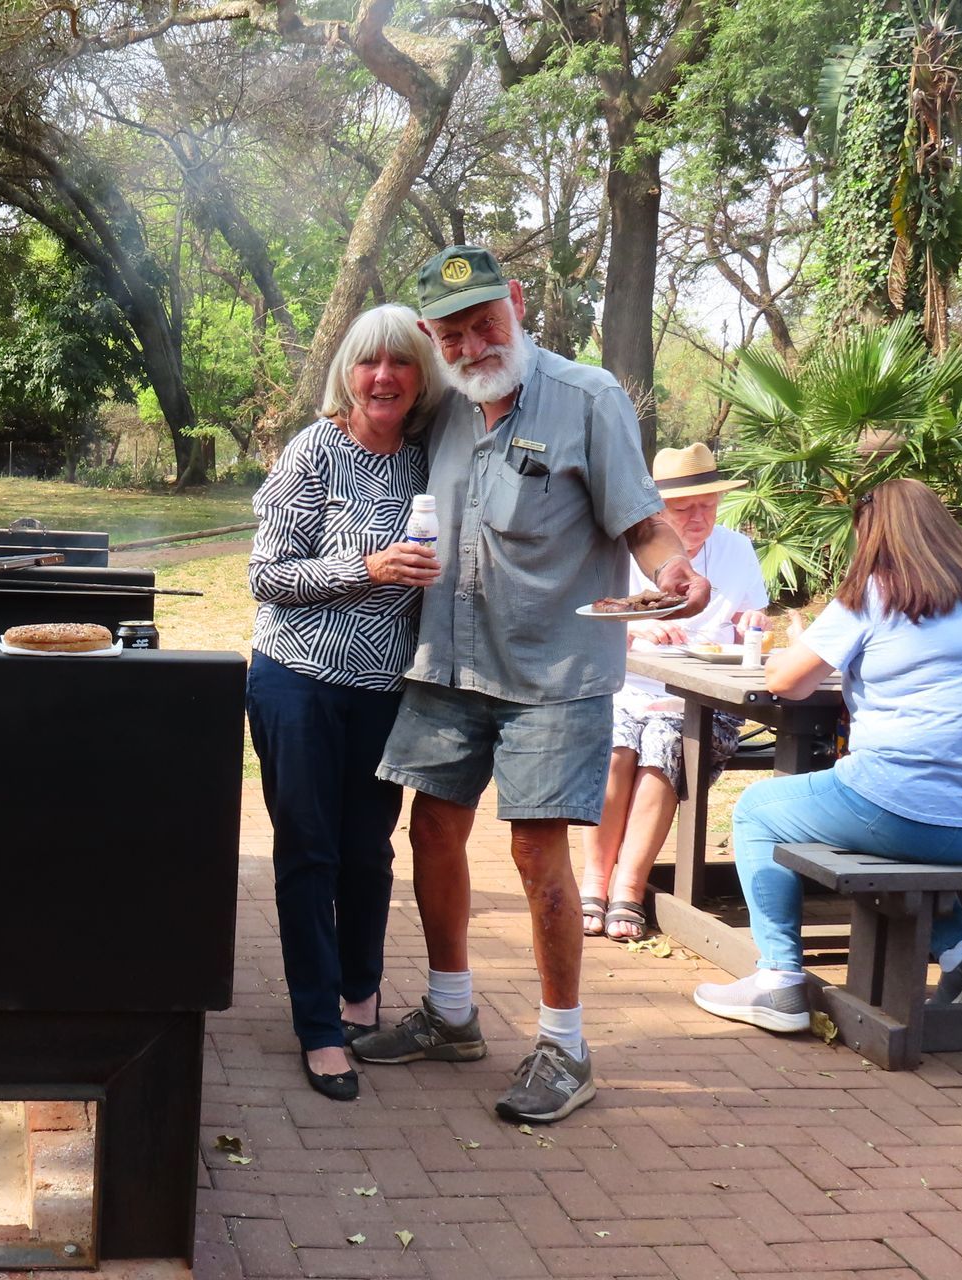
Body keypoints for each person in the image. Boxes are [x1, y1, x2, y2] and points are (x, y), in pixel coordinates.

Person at [351, 245, 710, 1125]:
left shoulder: (588, 398)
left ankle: (564, 1045)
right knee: (431, 827)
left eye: (485, 323)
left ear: (516, 302)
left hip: (554, 668)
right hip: (449, 659)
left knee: (534, 850)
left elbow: (642, 524)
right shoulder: (443, 408)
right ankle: (450, 1012)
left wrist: (678, 576)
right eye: (453, 334)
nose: (474, 345)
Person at [693, 478, 962, 1032]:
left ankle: (779, 980)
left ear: (871, 532)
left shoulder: (880, 590)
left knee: (759, 809)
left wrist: (796, 644)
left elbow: (788, 682)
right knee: (909, 816)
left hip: (914, 815)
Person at [247, 304, 443, 1103]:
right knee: (310, 852)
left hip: (384, 689)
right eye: (369, 363)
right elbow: (267, 574)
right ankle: (318, 1030)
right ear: (347, 372)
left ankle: (360, 997)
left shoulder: (431, 461)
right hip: (296, 678)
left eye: (400, 364)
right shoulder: (315, 450)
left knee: (370, 852)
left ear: (420, 378)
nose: (384, 377)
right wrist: (369, 569)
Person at [580, 442, 770, 943]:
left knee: (666, 740)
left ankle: (629, 884)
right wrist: (633, 628)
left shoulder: (736, 550)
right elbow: (589, 616)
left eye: (708, 506)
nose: (698, 518)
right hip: (627, 685)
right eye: (683, 509)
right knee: (618, 743)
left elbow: (747, 622)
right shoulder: (626, 550)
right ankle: (594, 883)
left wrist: (751, 621)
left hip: (705, 700)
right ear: (656, 511)